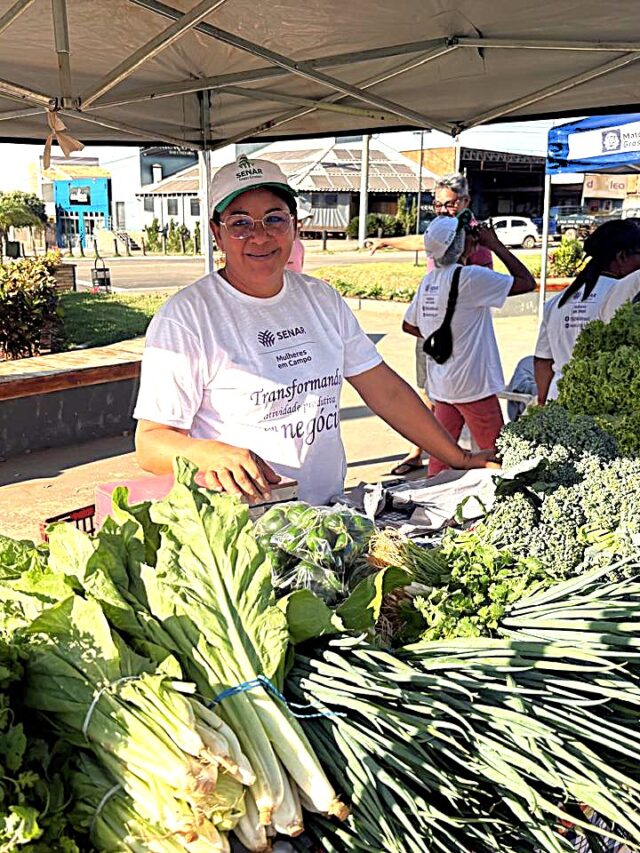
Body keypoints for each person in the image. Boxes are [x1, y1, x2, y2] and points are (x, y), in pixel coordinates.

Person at [133, 156, 496, 506]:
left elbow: (386, 393)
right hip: (243, 525)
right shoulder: (187, 317)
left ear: (294, 226)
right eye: (240, 223)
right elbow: (150, 444)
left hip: (329, 514)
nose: (260, 236)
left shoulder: (321, 299)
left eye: (274, 219)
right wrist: (208, 453)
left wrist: (460, 458)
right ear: (217, 232)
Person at [403, 214, 535, 477]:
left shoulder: (429, 280)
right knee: (497, 455)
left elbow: (408, 325)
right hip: (474, 386)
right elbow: (527, 282)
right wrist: (495, 245)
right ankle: (501, 497)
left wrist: (441, 335)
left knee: (443, 454)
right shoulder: (470, 278)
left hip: (443, 385)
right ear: (460, 243)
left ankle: (435, 491)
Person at [386, 173, 493, 475]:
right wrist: (385, 240)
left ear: (465, 202)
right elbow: (418, 242)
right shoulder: (438, 233)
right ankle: (421, 452)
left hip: (459, 341)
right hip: (433, 328)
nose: (443, 210)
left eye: (449, 204)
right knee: (430, 392)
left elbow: (500, 284)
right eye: (437, 205)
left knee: (468, 415)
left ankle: (453, 462)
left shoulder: (473, 240)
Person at [534, 218, 640, 404]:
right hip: (607, 405)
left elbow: (542, 361)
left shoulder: (556, 303)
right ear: (622, 256)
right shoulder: (626, 295)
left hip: (559, 400)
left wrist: (544, 407)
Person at [286, 202, 313, 273]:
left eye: (301, 221)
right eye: (298, 221)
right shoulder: (287, 242)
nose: (301, 225)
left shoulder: (297, 242)